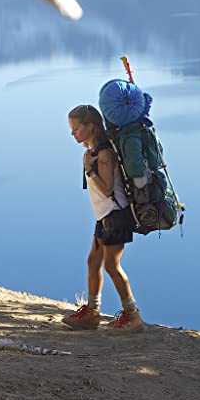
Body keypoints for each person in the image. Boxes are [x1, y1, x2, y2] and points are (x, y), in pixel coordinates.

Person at [63, 104, 145, 334]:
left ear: (91, 126)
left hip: (116, 217)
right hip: (105, 217)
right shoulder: (93, 151)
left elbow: (108, 189)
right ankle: (92, 313)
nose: (72, 133)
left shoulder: (104, 154)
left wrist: (90, 170)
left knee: (111, 265)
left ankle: (133, 315)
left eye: (76, 128)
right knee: (93, 262)